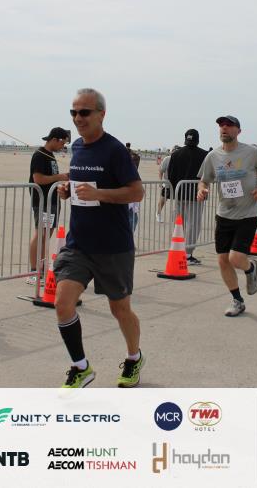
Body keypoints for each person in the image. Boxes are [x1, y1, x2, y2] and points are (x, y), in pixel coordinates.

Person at [54, 88, 144, 388]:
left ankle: (134, 357)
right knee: (62, 303)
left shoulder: (114, 150)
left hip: (113, 246)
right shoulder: (77, 147)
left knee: (120, 309)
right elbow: (81, 185)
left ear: (101, 114)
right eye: (73, 112)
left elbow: (137, 192)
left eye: (84, 112)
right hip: (79, 244)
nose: (77, 118)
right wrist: (67, 190)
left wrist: (99, 194)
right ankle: (81, 367)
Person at [197, 116, 257, 317]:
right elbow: (204, 180)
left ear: (238, 131)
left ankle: (250, 268)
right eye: (221, 125)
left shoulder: (251, 152)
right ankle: (237, 300)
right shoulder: (213, 156)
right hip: (224, 214)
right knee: (223, 260)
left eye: (229, 125)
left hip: (248, 213)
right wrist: (201, 190)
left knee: (236, 258)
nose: (224, 128)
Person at [29, 127, 71, 274]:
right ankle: (34, 270)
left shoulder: (50, 155)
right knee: (41, 234)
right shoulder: (40, 155)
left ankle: (41, 268)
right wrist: (60, 177)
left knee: (46, 235)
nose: (62, 146)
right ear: (54, 139)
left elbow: (50, 177)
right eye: (62, 143)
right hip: (43, 201)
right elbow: (38, 179)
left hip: (52, 201)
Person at [167, 129, 209, 264]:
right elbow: (207, 175)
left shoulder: (176, 154)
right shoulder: (204, 155)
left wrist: (168, 193)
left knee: (178, 224)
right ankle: (188, 254)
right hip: (196, 195)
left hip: (179, 194)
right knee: (193, 225)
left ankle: (176, 249)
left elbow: (171, 175)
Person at [155, 147, 174, 223]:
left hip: (177, 184)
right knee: (163, 199)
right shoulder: (167, 159)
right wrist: (161, 181)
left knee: (179, 201)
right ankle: (158, 214)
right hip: (167, 183)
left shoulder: (181, 159)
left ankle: (177, 216)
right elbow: (161, 171)